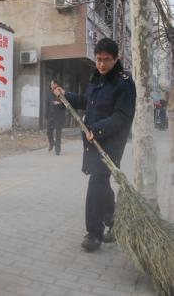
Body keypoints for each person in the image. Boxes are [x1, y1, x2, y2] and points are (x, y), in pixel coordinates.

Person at [52, 38, 136, 252]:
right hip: (92, 140)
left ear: (117, 58)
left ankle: (94, 233)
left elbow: (122, 117)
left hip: (110, 143)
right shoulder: (96, 78)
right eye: (98, 59)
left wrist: (97, 129)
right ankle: (114, 219)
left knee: (96, 184)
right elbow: (85, 101)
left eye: (106, 60)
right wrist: (65, 96)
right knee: (102, 184)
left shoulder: (124, 83)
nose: (101, 64)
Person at [46, 79, 66, 155]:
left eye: (52, 84)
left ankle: (57, 150)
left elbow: (66, 104)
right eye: (50, 84)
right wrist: (46, 116)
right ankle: (51, 143)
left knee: (58, 134)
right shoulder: (49, 94)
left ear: (56, 84)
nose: (51, 86)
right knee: (49, 132)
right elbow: (47, 105)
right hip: (51, 116)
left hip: (59, 117)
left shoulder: (61, 93)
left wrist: (59, 103)